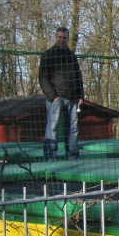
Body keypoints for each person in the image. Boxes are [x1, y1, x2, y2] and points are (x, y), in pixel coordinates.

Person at [39, 27, 84, 161]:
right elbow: (43, 78)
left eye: (64, 38)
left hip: (72, 98)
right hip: (56, 98)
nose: (62, 40)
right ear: (55, 37)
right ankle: (50, 157)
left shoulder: (72, 56)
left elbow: (78, 76)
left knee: (73, 129)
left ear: (67, 39)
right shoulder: (48, 55)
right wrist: (53, 96)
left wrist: (80, 95)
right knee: (52, 128)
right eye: (59, 37)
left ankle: (72, 155)